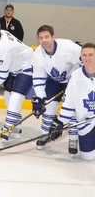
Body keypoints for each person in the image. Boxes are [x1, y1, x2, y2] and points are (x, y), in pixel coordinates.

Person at [31, 25, 82, 154]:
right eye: (41, 38)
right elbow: (38, 77)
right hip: (54, 81)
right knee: (48, 108)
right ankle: (45, 134)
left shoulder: (69, 48)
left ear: (53, 36)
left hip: (72, 80)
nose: (44, 40)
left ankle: (73, 139)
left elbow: (86, 63)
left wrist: (79, 81)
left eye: (47, 37)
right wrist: (40, 97)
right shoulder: (38, 54)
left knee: (72, 110)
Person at [0, 19, 33, 141]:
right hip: (13, 67)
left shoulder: (4, 46)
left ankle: (7, 127)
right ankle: (17, 125)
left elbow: (1, 74)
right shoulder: (2, 35)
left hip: (27, 65)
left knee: (16, 96)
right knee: (7, 95)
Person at [48, 43, 95, 160]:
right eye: (85, 55)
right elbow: (69, 103)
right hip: (86, 122)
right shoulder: (76, 76)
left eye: (91, 55)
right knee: (87, 157)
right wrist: (60, 122)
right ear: (81, 57)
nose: (88, 58)